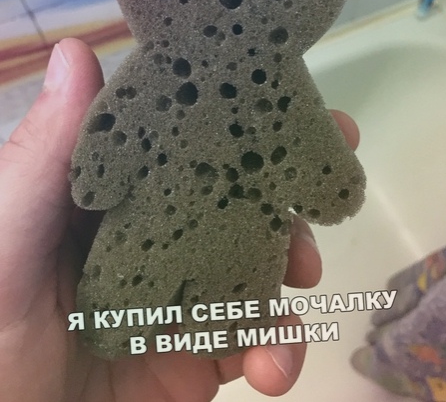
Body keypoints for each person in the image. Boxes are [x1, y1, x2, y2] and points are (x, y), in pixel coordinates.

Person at [0, 38, 360, 401]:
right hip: (157, 228)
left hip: (227, 235)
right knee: (128, 301)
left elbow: (322, 169)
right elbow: (114, 133)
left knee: (212, 309)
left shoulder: (279, 79)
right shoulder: (158, 69)